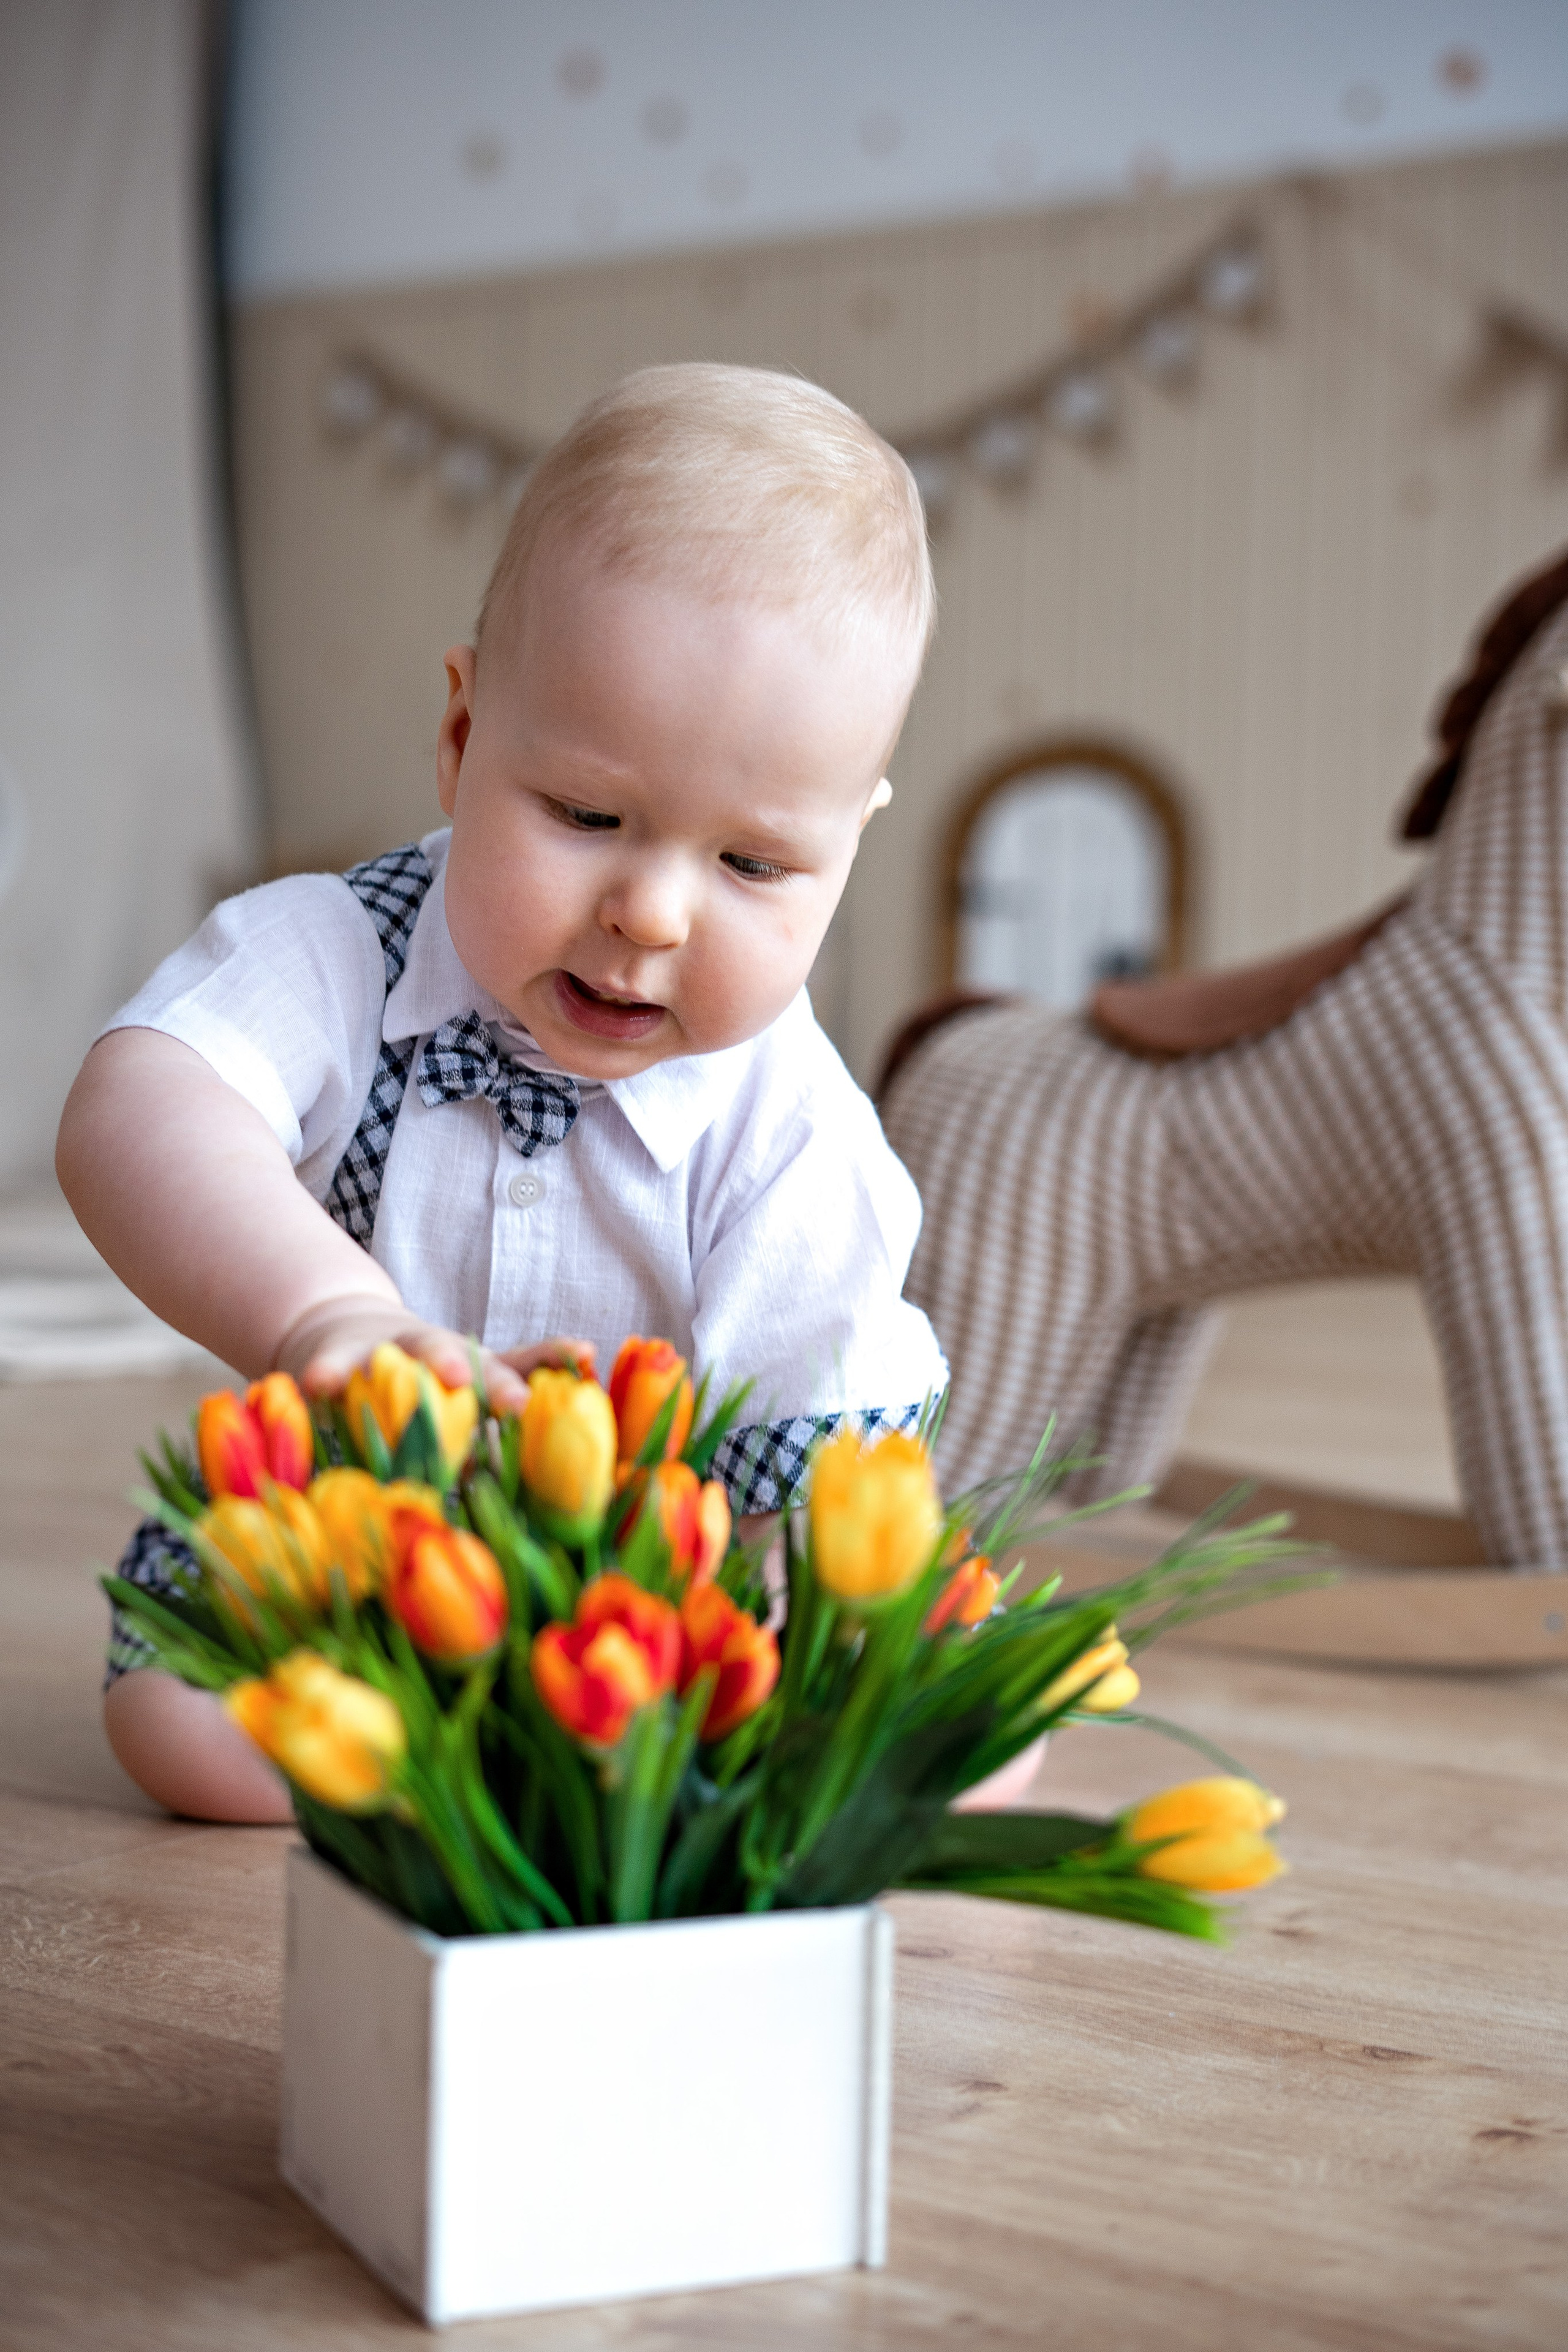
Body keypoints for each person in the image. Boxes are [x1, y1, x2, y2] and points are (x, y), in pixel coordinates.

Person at [57, 364, 949, 1821]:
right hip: (343, 1543)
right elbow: (141, 1108)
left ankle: (575, 1748)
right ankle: (465, 1757)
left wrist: (841, 1651)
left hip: (638, 1598)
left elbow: (831, 1462)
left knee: (903, 1679)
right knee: (179, 1726)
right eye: (589, 816)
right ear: (464, 737)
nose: (652, 912)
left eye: (753, 864)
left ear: (849, 843)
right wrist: (324, 1315)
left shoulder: (790, 1127)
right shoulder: (337, 954)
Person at [881, 546, 1568, 1569]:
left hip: (1134, 1197)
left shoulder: (1491, 1007)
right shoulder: (1486, 1036)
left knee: (1093, 1480)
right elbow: (1535, 1330)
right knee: (952, 1475)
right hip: (1039, 1133)